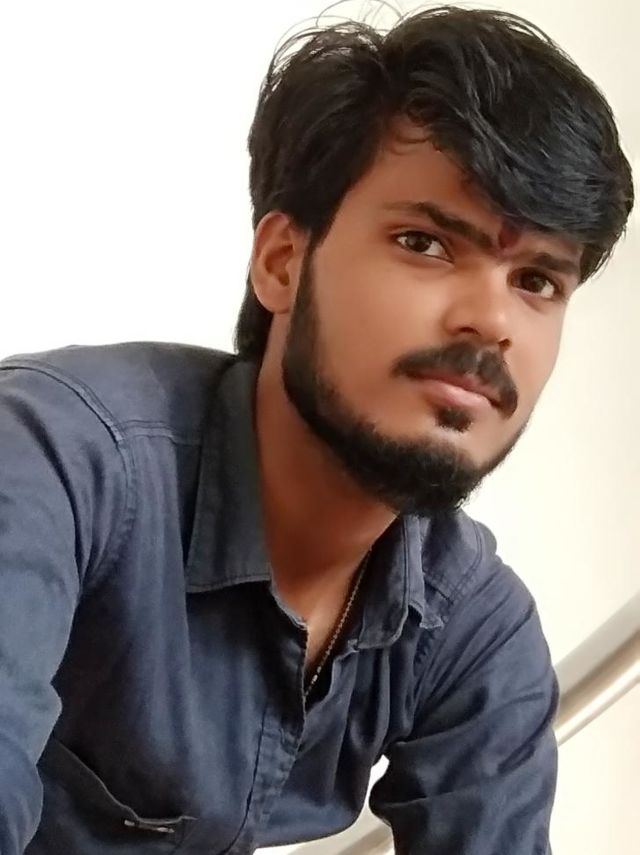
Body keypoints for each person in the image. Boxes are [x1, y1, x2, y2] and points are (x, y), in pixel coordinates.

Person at [0, 5, 633, 854]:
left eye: (538, 282)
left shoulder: (473, 626)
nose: (493, 321)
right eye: (425, 242)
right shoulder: (55, 461)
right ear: (282, 262)